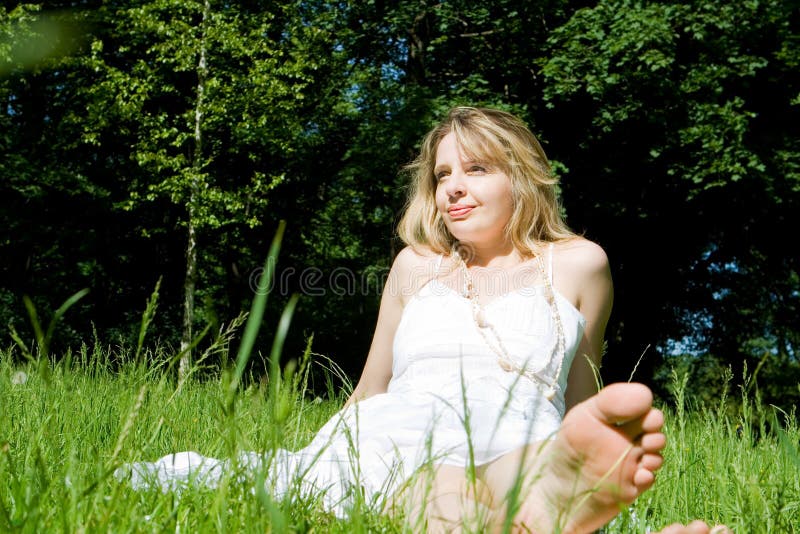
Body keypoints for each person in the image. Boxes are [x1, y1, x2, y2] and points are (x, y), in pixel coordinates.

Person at [119, 107, 729, 534]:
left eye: (476, 170)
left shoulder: (579, 264)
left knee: (503, 472)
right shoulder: (415, 267)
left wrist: (588, 445)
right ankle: (517, 511)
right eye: (442, 176)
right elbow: (371, 388)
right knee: (426, 488)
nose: (452, 190)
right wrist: (320, 457)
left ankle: (538, 491)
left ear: (521, 176)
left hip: (522, 434)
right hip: (400, 432)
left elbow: (581, 396)